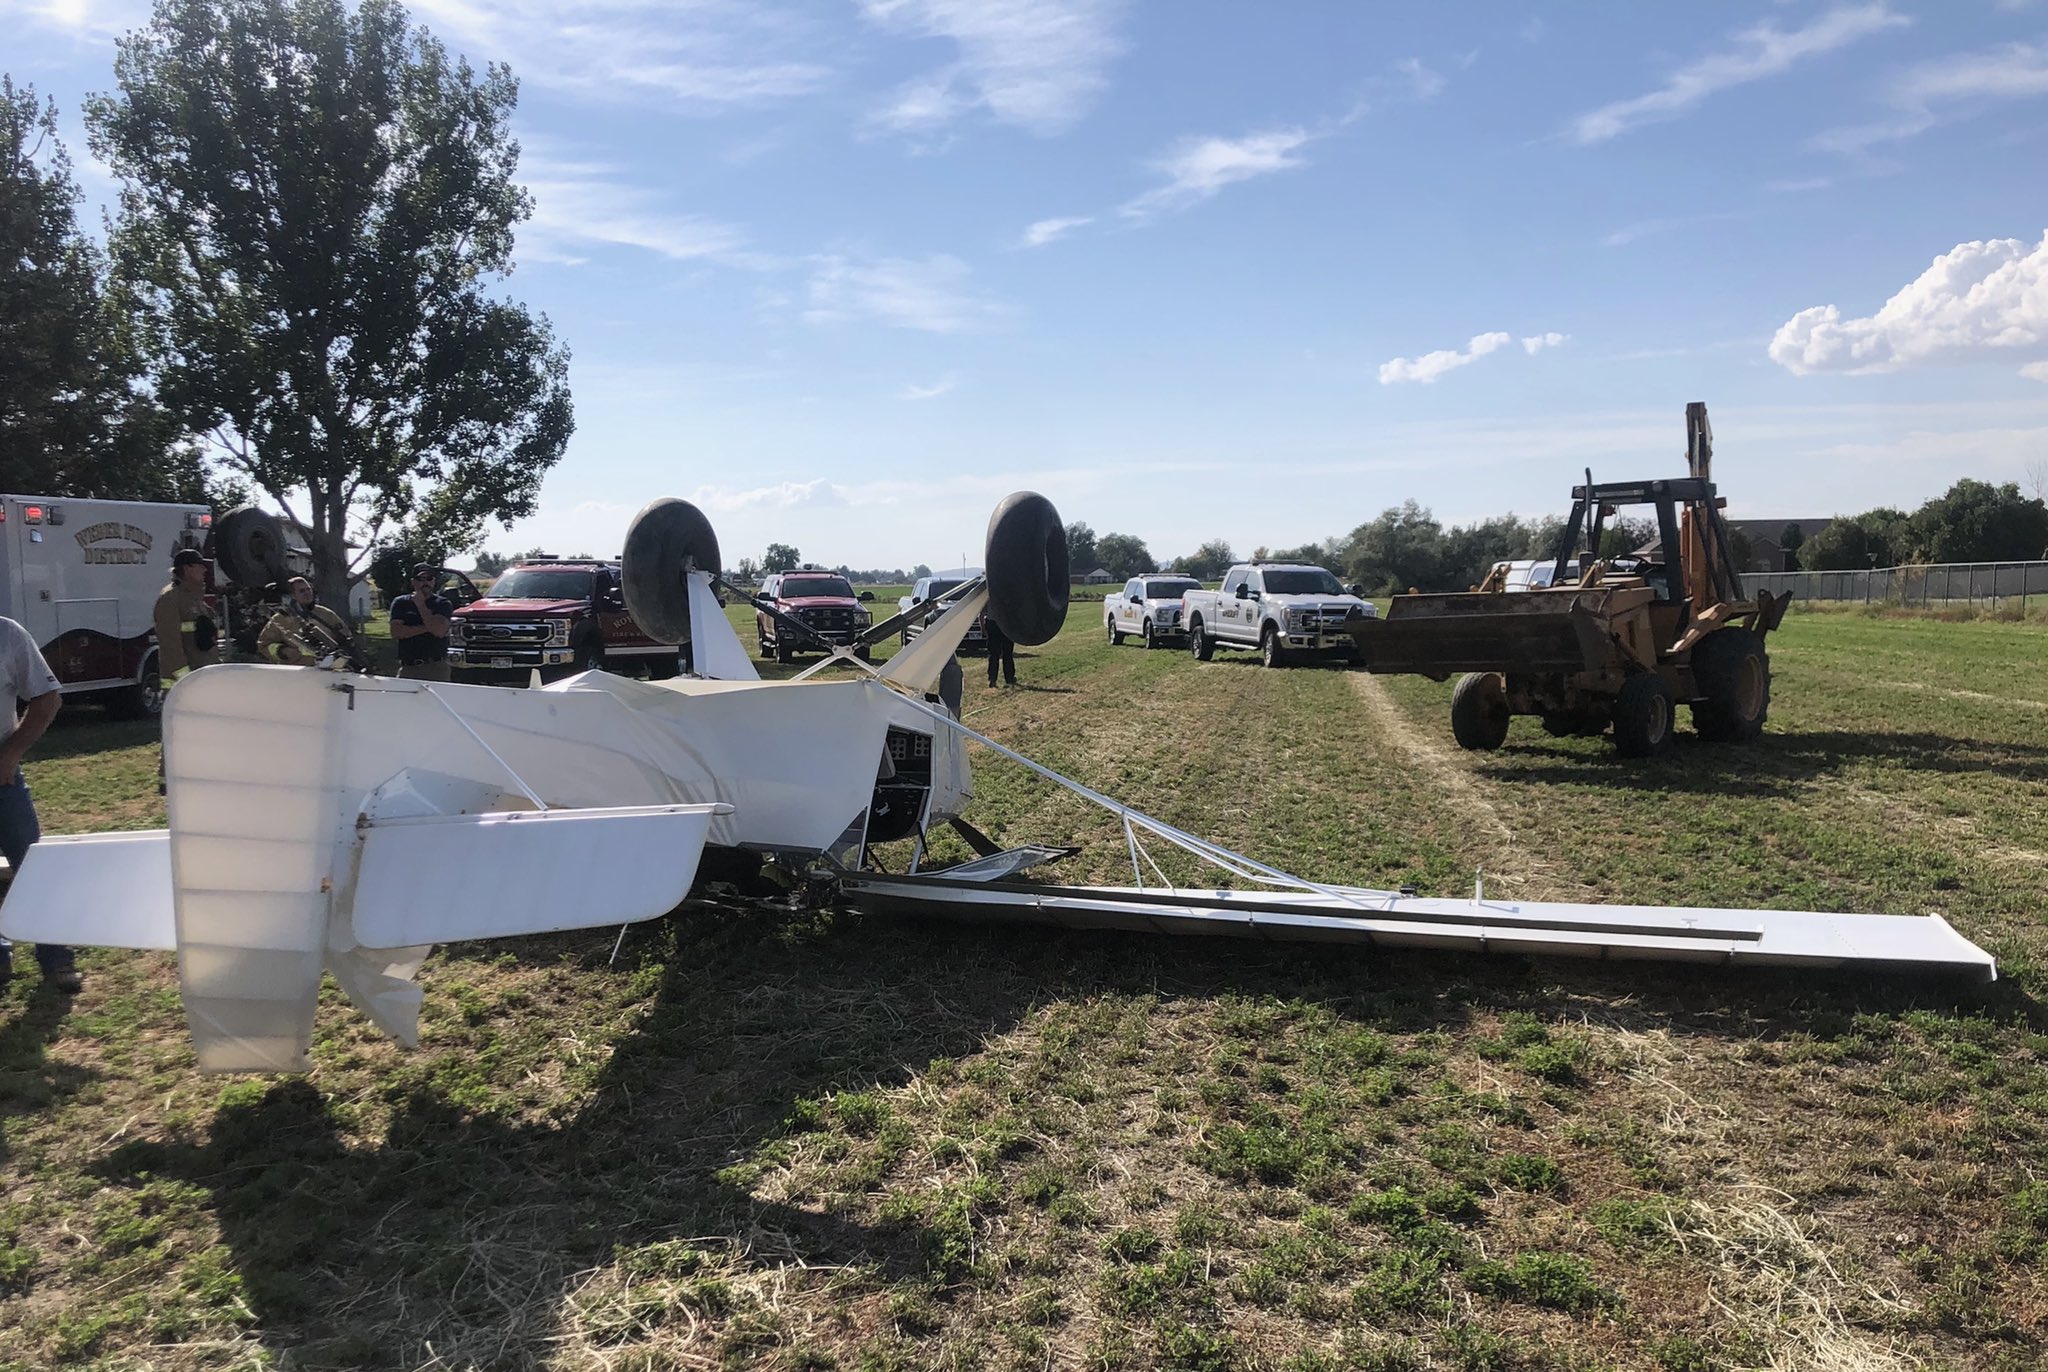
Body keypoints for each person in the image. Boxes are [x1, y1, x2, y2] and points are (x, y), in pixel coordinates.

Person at [0, 615, 78, 993]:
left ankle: (56, 956)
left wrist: (10, 755)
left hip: (1, 779)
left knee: (31, 868)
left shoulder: (7, 634)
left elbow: (48, 698)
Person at [153, 548, 222, 691]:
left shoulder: (194, 598)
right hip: (183, 687)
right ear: (187, 569)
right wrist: (185, 679)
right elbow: (170, 645)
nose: (204, 570)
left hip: (202, 679)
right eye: (200, 565)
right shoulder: (170, 599)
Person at [258, 577, 354, 667]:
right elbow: (264, 645)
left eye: (308, 589)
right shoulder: (280, 619)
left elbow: (346, 638)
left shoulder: (326, 614)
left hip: (328, 669)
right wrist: (282, 651)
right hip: (296, 671)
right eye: (302, 591)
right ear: (292, 595)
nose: (307, 593)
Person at [390, 563, 453, 681]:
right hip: (408, 668)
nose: (425, 582)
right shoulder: (400, 602)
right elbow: (396, 632)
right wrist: (428, 627)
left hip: (436, 668)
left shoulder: (442, 603)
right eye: (420, 579)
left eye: (429, 578)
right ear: (413, 582)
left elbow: (439, 631)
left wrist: (421, 605)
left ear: (434, 581)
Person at [984, 614, 1017, 688]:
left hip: (992, 623)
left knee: (993, 654)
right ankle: (1009, 678)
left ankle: (992, 679)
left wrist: (983, 628)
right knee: (1007, 653)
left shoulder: (989, 605)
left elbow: (982, 613)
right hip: (1006, 622)